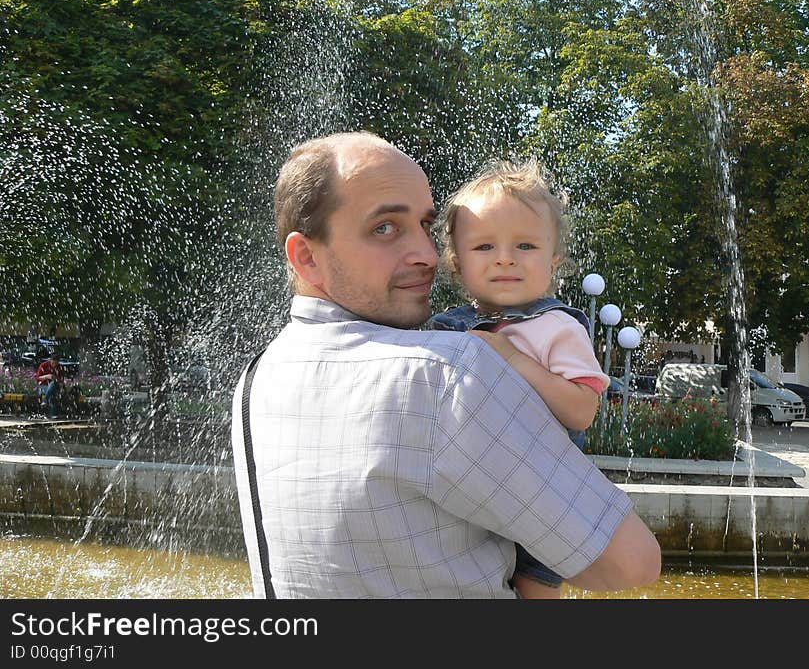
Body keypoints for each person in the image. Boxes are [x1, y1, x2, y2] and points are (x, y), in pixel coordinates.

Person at [231, 131, 660, 598]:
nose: (429, 256)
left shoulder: (257, 378)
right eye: (385, 228)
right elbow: (630, 564)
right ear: (306, 256)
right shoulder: (447, 371)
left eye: (425, 227)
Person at [427, 159, 609, 599]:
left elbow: (583, 412)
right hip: (466, 496)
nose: (505, 257)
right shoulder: (442, 328)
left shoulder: (557, 327)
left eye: (525, 246)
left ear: (553, 261)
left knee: (533, 587)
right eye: (484, 246)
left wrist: (512, 358)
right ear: (457, 262)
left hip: (541, 498)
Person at [35, 352, 64, 419]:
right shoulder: (43, 365)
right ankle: (54, 414)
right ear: (50, 360)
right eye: (53, 363)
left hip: (55, 386)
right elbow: (38, 378)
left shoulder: (59, 368)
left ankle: (45, 401)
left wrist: (56, 378)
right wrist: (46, 376)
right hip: (43, 386)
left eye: (56, 363)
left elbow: (61, 381)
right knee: (52, 394)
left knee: (53, 384)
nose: (54, 365)